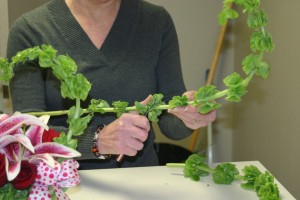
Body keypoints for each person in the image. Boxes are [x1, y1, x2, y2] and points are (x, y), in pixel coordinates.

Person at [7, 0, 216, 169]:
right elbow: (26, 133)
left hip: (140, 183)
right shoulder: (30, 30)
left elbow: (171, 121)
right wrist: (97, 141)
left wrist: (190, 116)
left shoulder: (156, 21)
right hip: (62, 184)